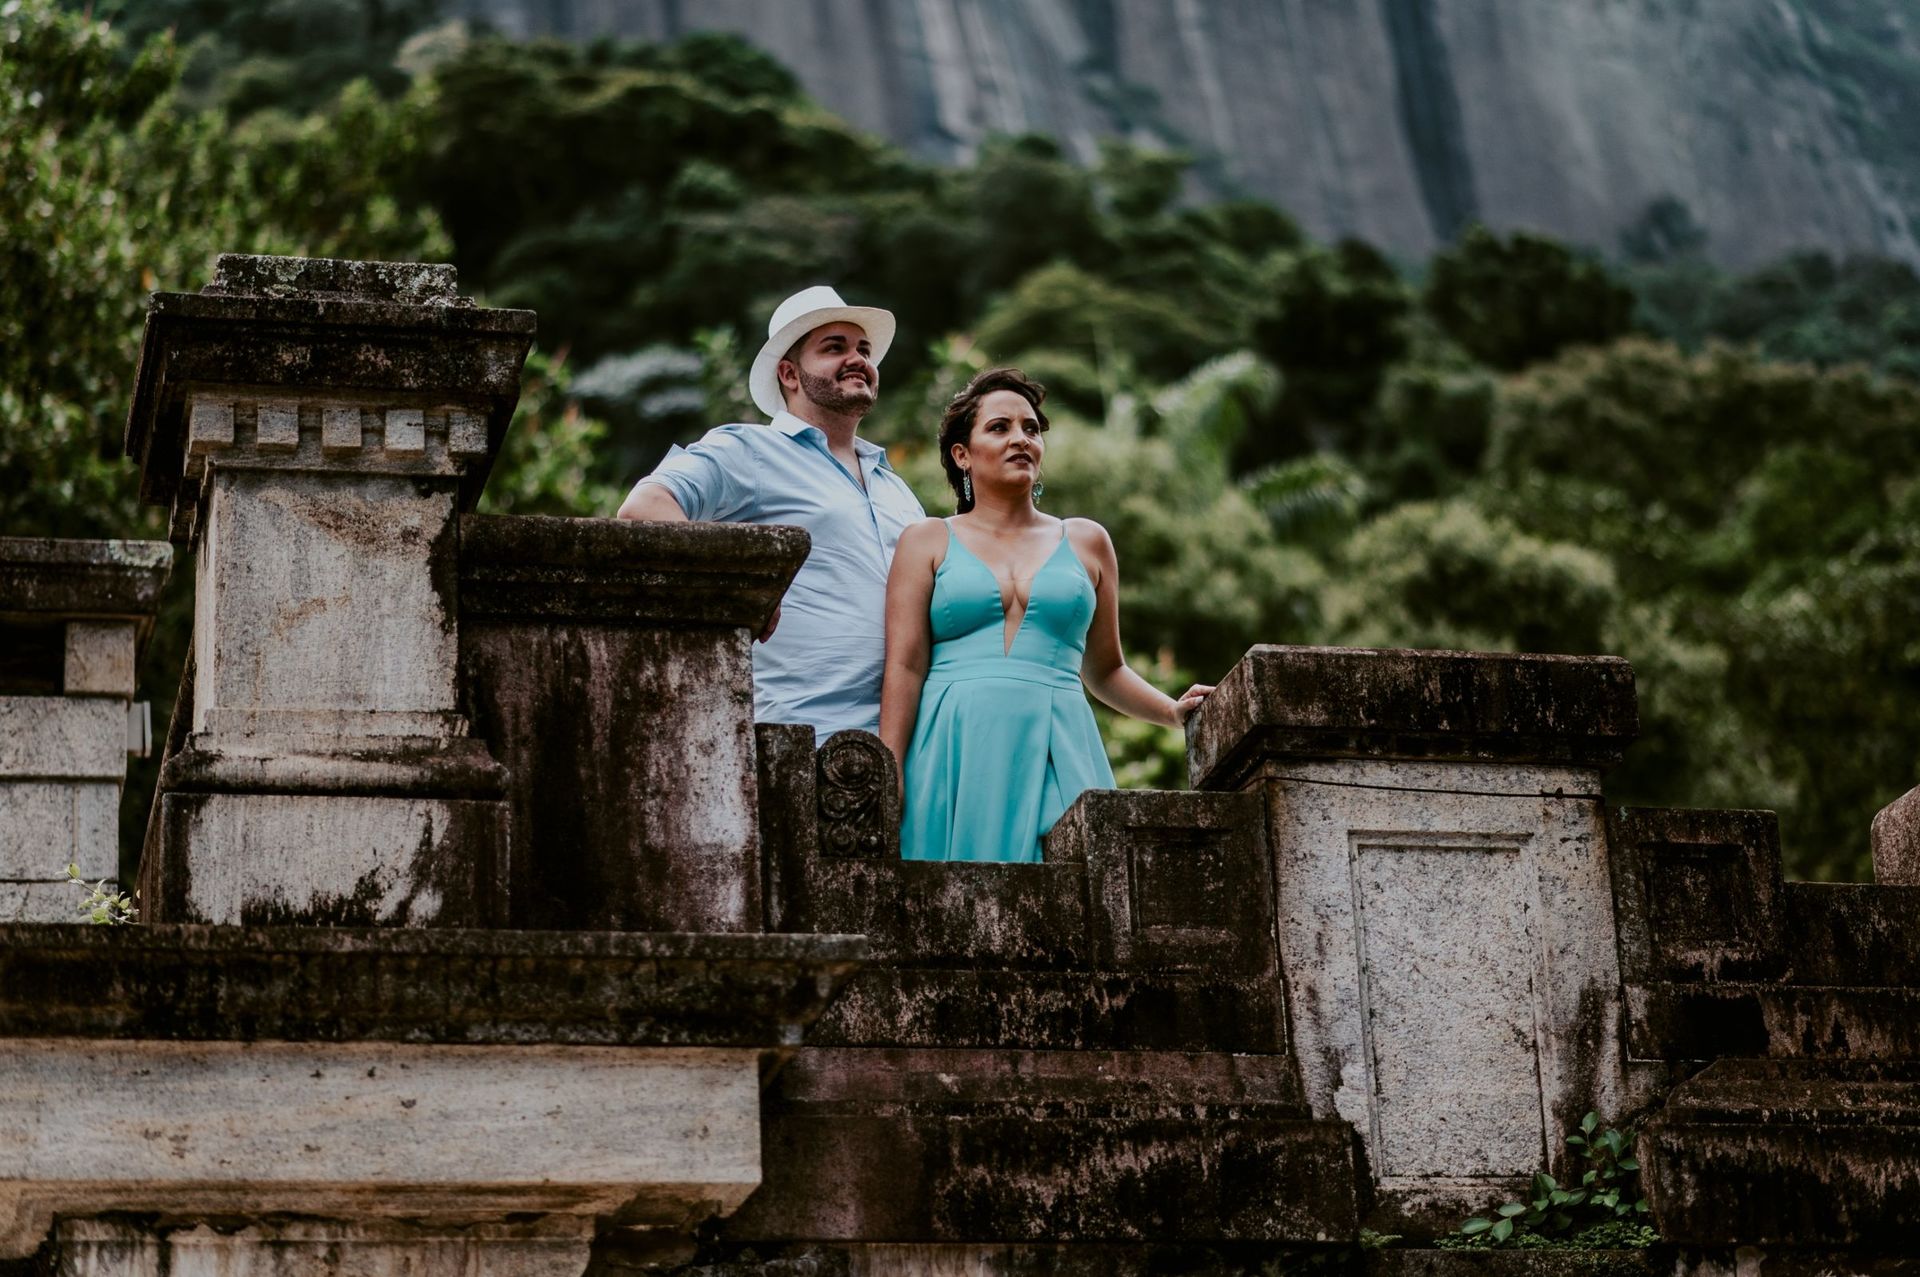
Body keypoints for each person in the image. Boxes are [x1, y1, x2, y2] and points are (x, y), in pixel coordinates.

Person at [878, 368, 1211, 863]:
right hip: (953, 746)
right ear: (962, 455)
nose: (1020, 439)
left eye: (1031, 428)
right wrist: (891, 772)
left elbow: (1105, 669)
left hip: (1061, 742)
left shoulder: (1088, 541)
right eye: (999, 427)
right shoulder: (925, 539)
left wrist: (1171, 711)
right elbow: (905, 666)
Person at [618, 286, 926, 739]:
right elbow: (643, 506)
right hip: (799, 732)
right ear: (789, 373)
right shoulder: (749, 449)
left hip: (906, 743)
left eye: (863, 349)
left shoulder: (897, 488)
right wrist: (736, 583)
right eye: (834, 347)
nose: (858, 358)